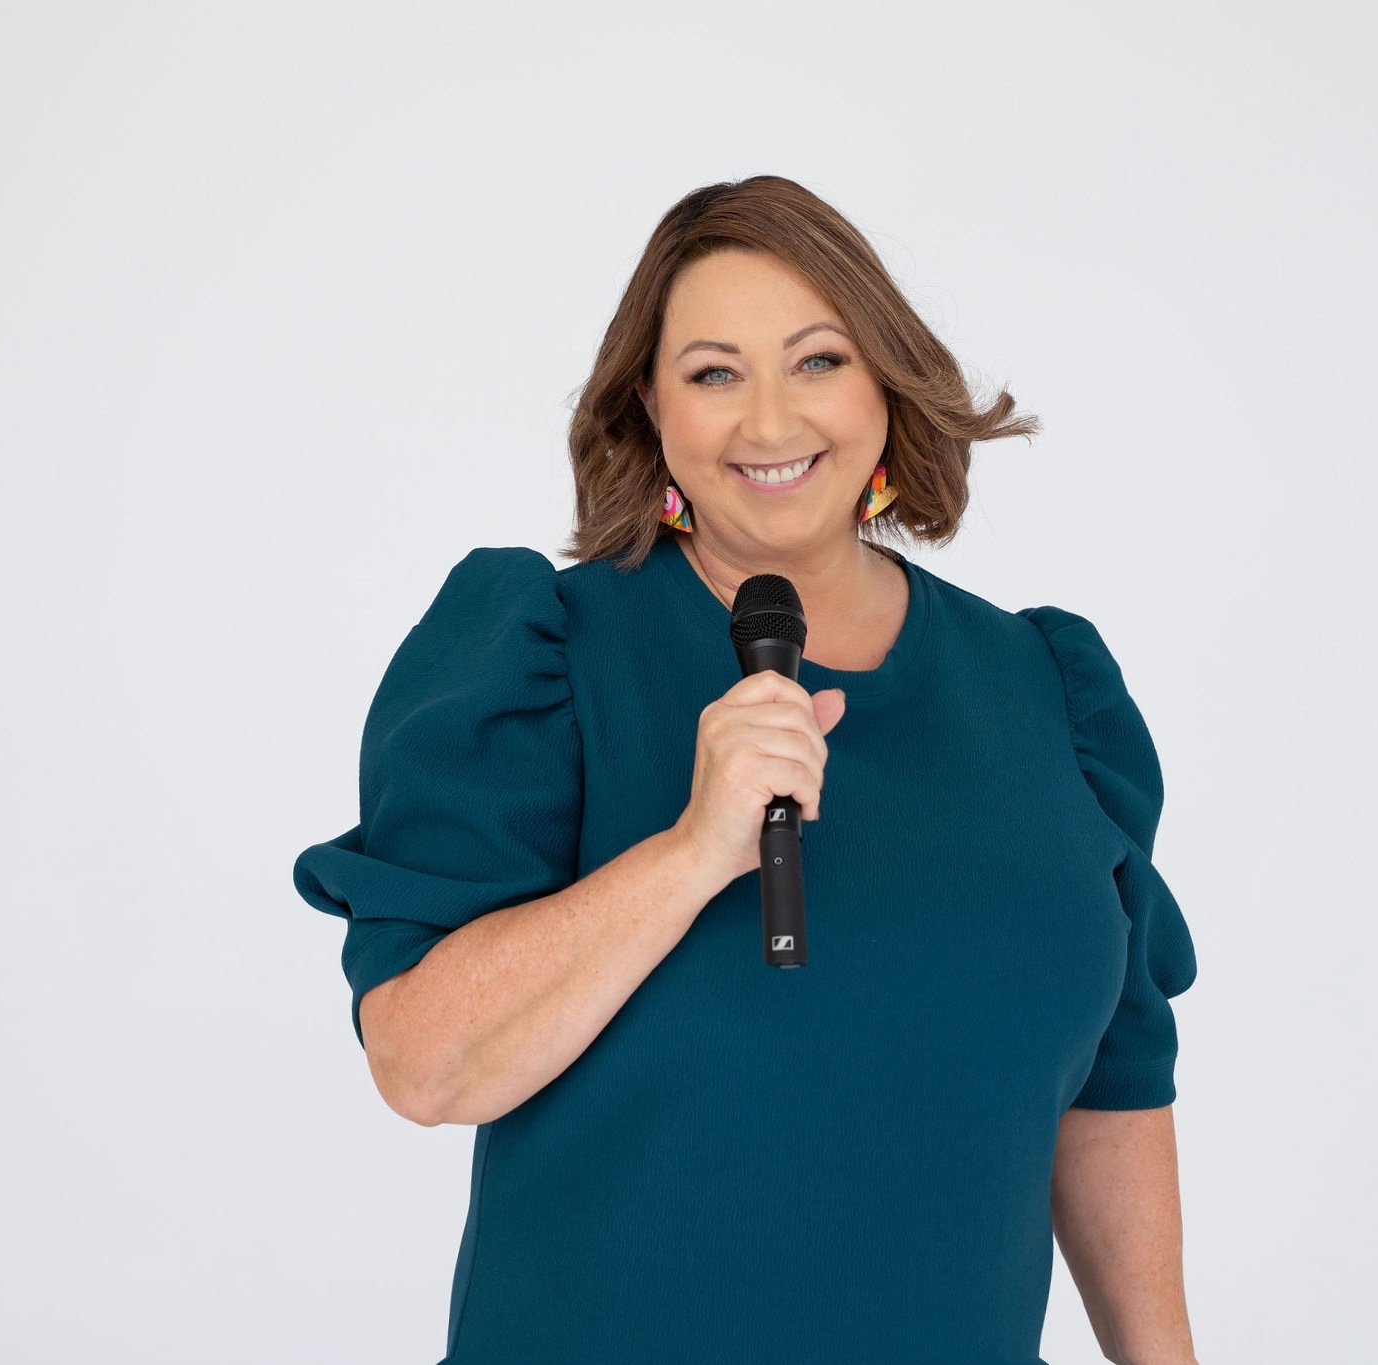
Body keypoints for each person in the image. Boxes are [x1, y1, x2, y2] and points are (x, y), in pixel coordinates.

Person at [292, 175, 1201, 1365]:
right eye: (714, 373)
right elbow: (422, 1064)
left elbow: (1110, 1088)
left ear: (885, 382)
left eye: (817, 361)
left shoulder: (1044, 687)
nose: (770, 423)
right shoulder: (545, 653)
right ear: (650, 411)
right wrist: (689, 852)